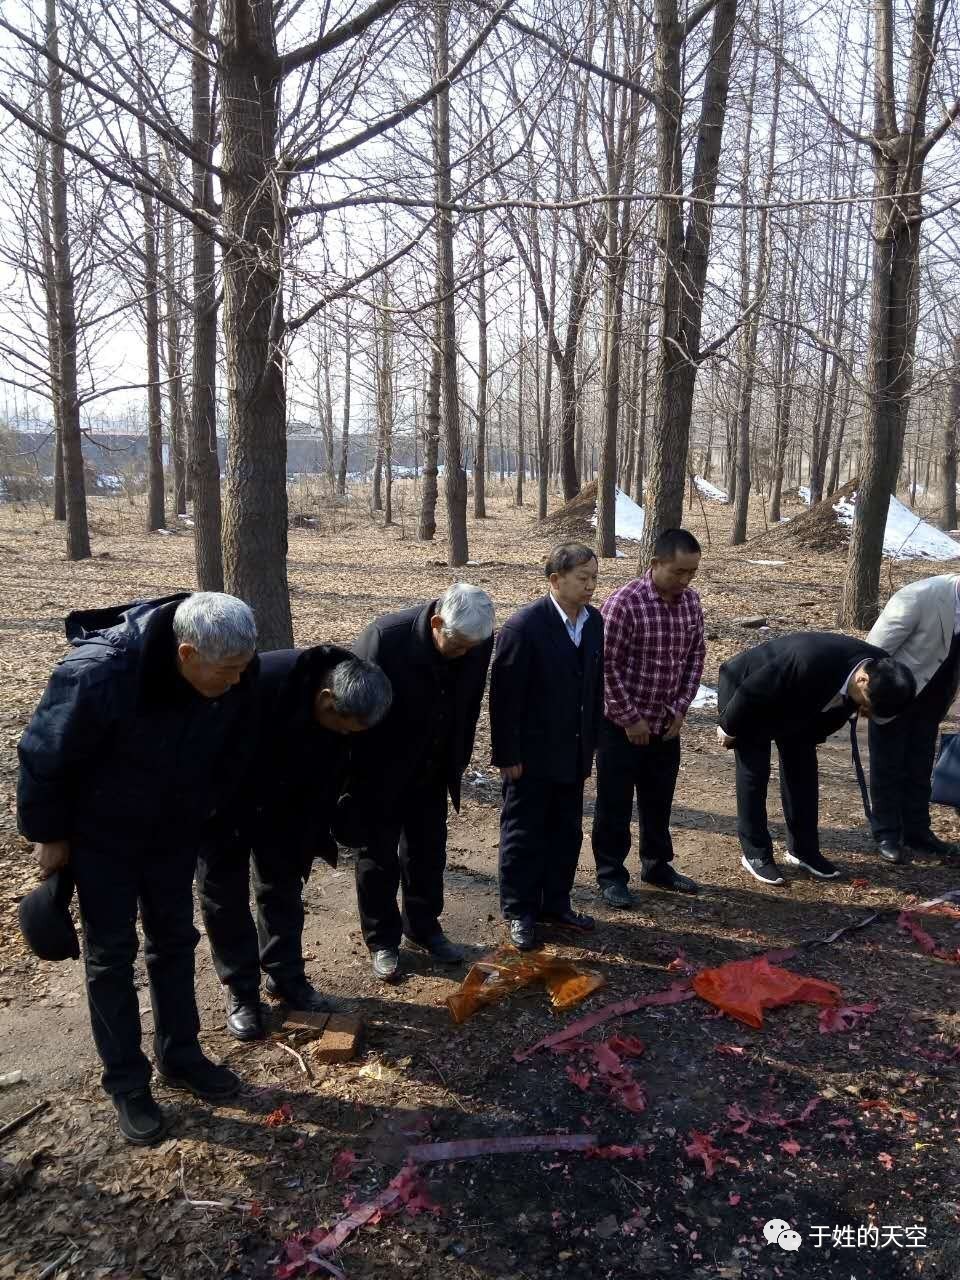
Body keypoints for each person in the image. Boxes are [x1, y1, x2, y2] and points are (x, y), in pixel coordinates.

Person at [17, 592, 258, 1145]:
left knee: (175, 939)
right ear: (187, 653)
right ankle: (127, 1083)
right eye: (227, 672)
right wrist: (49, 835)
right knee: (111, 955)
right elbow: (43, 755)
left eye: (244, 669)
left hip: (173, 829)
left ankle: (181, 1055)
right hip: (102, 836)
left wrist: (211, 806)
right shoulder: (98, 674)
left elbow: (232, 747)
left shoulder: (231, 671)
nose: (238, 682)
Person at [196, 648, 393, 1039]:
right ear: (325, 700)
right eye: (343, 728)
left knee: (282, 889)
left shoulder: (353, 698)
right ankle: (241, 991)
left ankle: (285, 976)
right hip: (226, 802)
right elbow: (208, 748)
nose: (346, 736)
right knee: (225, 897)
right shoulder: (258, 682)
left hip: (289, 807)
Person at [346, 583, 495, 981]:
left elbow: (470, 699)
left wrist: (456, 758)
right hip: (383, 769)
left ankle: (424, 927)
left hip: (434, 765)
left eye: (472, 647)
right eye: (458, 644)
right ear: (436, 623)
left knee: (427, 852)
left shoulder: (477, 639)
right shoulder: (385, 639)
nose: (466, 653)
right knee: (378, 857)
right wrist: (358, 782)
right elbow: (356, 715)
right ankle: (382, 940)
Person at [717, 632, 916, 886]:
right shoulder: (812, 659)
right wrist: (728, 726)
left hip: (797, 704)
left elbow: (839, 707)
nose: (866, 713)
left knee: (803, 772)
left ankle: (803, 850)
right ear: (863, 679)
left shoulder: (883, 670)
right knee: (754, 773)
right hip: (747, 694)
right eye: (867, 705)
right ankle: (756, 854)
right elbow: (752, 690)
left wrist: (811, 734)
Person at [490, 544, 604, 950]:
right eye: (582, 579)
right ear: (555, 581)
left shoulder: (593, 623)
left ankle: (556, 903)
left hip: (573, 751)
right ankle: (519, 911)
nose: (590, 586)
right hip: (532, 756)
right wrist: (507, 753)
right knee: (524, 834)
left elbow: (594, 687)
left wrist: (592, 742)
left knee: (566, 831)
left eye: (594, 578)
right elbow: (504, 697)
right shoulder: (524, 626)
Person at [592, 528, 706, 904]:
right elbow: (606, 667)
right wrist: (630, 718)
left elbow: (694, 659)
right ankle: (611, 874)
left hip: (666, 725)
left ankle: (657, 864)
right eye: (678, 572)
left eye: (692, 572)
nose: (685, 580)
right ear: (655, 563)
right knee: (615, 803)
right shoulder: (624, 603)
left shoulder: (691, 603)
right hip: (619, 727)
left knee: (659, 800)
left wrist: (680, 708)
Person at [866, 574, 960, 863]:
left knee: (920, 767)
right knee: (888, 765)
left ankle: (918, 831)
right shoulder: (919, 596)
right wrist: (869, 700)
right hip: (894, 695)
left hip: (935, 699)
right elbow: (874, 651)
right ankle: (887, 833)